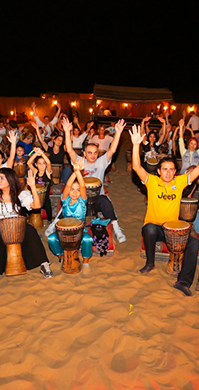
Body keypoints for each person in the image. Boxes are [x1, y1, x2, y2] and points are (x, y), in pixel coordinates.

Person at [130, 125, 199, 295]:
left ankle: (183, 282)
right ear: (159, 171)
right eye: (165, 169)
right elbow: (137, 167)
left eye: (171, 169)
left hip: (173, 231)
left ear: (175, 172)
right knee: (149, 228)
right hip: (155, 227)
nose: (168, 172)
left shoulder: (180, 182)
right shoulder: (152, 181)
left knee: (195, 243)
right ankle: (150, 263)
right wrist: (136, 145)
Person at [0, 168, 52, 286]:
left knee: (30, 230)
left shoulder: (20, 195)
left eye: (2, 178)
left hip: (18, 227)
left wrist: (32, 186)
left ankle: (44, 264)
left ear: (10, 180)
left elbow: (36, 206)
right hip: (0, 228)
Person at [62, 117, 127, 243]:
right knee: (69, 201)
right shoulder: (79, 161)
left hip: (97, 199)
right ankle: (55, 223)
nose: (93, 155)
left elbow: (112, 149)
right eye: (90, 153)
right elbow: (69, 150)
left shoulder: (101, 162)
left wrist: (118, 132)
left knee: (105, 200)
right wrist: (66, 132)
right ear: (85, 154)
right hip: (81, 200)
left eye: (95, 153)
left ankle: (117, 229)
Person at [47, 159, 93, 274]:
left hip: (79, 232)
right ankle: (61, 256)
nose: (74, 192)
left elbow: (82, 186)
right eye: (72, 190)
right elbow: (68, 185)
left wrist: (78, 172)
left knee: (88, 239)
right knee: (51, 239)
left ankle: (86, 261)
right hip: (64, 232)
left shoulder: (82, 201)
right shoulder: (65, 200)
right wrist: (75, 171)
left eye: (77, 190)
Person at [27, 147, 53, 221]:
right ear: (36, 164)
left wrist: (42, 154)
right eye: (39, 163)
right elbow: (29, 163)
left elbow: (49, 163)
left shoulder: (48, 173)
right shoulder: (35, 171)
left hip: (45, 198)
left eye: (43, 163)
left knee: (48, 205)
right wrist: (35, 154)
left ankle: (49, 220)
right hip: (35, 196)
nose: (42, 165)